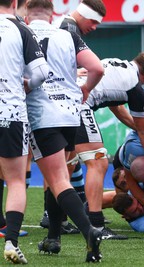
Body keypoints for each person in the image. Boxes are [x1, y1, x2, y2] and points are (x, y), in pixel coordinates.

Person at [24, 0, 105, 262]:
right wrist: (86, 89)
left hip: (42, 113)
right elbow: (97, 68)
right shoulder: (68, 35)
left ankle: (89, 230)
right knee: (58, 176)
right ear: (51, 14)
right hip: (71, 114)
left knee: (57, 179)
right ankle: (53, 238)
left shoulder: (22, 32)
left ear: (27, 12)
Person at [70, 53, 144, 240]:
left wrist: (137, 126)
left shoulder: (116, 65)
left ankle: (54, 221)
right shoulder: (134, 87)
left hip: (60, 100)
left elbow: (117, 107)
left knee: (66, 163)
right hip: (78, 104)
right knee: (99, 163)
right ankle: (96, 225)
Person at [0, 1, 48, 263]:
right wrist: (25, 86)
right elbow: (41, 72)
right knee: (16, 181)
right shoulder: (21, 29)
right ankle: (11, 242)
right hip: (9, 112)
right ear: (16, 3)